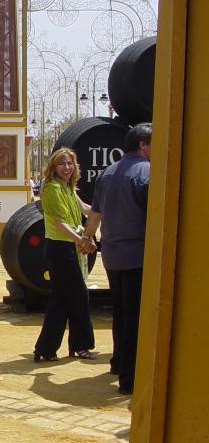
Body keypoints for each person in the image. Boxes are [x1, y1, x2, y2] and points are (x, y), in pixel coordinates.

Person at [83, 122, 152, 395]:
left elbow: (95, 215)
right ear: (143, 145)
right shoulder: (147, 173)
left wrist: (87, 239)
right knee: (135, 315)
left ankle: (117, 362)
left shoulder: (107, 173)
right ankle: (129, 377)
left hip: (112, 254)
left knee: (121, 310)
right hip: (138, 254)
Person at [33, 147, 97, 362]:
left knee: (61, 300)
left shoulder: (68, 188)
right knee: (79, 296)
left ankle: (46, 348)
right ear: (53, 167)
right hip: (60, 249)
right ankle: (81, 345)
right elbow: (60, 224)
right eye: (62, 164)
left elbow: (86, 210)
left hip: (68, 248)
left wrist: (107, 208)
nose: (67, 167)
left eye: (70, 163)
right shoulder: (52, 189)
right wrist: (81, 241)